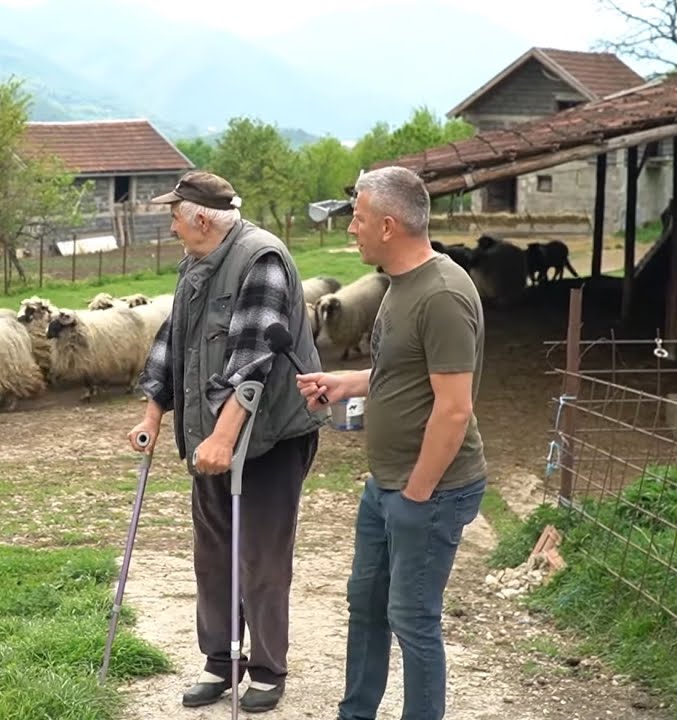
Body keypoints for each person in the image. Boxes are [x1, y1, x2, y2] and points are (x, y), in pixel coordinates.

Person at [128, 170, 325, 713]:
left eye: (174, 214)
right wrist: (153, 412)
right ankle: (221, 662)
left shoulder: (260, 259)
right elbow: (173, 341)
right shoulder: (196, 264)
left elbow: (252, 361)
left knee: (260, 555)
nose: (170, 224)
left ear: (202, 218)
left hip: (268, 437)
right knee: (213, 554)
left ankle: (266, 669)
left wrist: (222, 436)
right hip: (209, 438)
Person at [295, 165, 487, 720]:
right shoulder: (399, 285)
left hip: (430, 490)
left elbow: (453, 409)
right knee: (366, 606)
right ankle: (356, 713)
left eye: (356, 219)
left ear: (387, 224)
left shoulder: (444, 294)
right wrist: (346, 383)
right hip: (386, 486)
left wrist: (417, 494)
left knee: (413, 619)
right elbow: (403, 372)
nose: (350, 229)